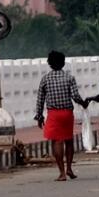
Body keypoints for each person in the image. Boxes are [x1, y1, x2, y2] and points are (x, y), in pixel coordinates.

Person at [34, 50, 78, 181]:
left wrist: (39, 116)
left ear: (50, 64)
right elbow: (75, 96)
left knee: (57, 142)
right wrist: (84, 103)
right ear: (63, 63)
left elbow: (40, 99)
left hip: (53, 113)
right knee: (69, 140)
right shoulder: (70, 78)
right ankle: (70, 167)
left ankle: (62, 172)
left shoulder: (45, 79)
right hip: (67, 113)